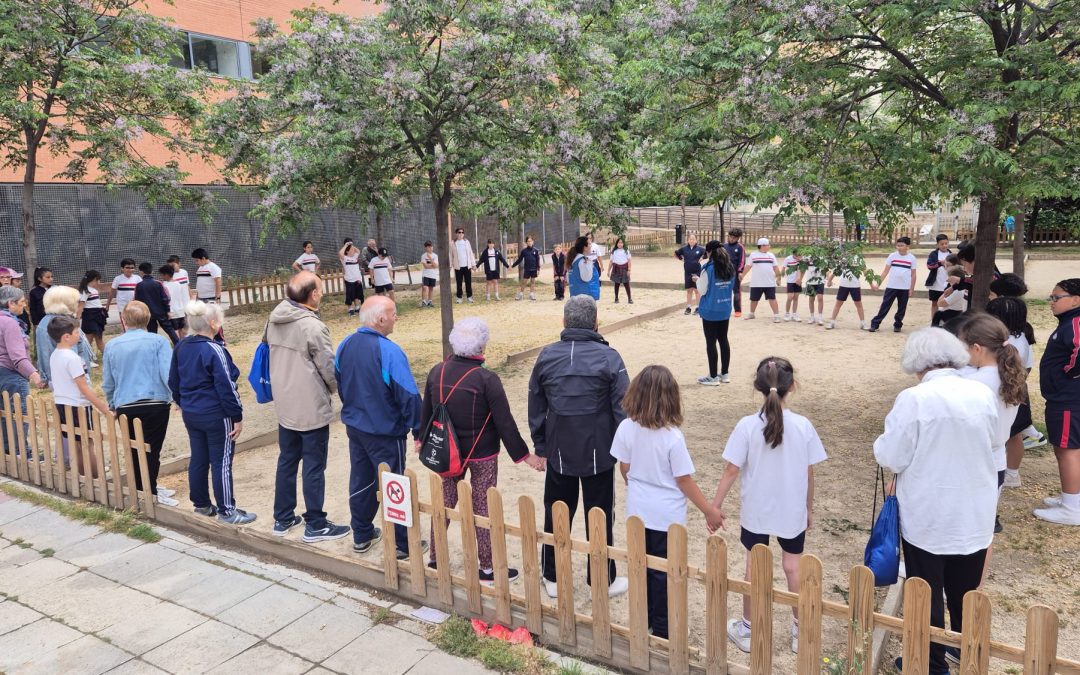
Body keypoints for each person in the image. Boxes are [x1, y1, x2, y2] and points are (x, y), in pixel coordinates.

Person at [873, 328, 997, 674]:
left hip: (929, 511)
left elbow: (892, 456)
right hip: (974, 507)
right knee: (966, 587)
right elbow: (994, 441)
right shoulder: (981, 393)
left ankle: (931, 661)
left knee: (925, 588)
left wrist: (879, 445)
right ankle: (967, 650)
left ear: (917, 363)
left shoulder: (914, 399)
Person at [712, 357, 827, 655]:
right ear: (793, 386)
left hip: (757, 510)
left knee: (755, 564)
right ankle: (800, 632)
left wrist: (715, 506)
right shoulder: (803, 426)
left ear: (757, 387)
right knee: (793, 566)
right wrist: (808, 507)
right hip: (792, 509)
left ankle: (749, 628)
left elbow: (731, 470)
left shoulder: (747, 426)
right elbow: (809, 471)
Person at [421, 318, 545, 583]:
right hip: (482, 452)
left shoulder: (436, 372)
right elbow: (505, 423)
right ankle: (487, 568)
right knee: (483, 507)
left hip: (447, 450)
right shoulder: (487, 379)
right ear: (482, 344)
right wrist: (525, 456)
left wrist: (421, 438)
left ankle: (435, 558)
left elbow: (428, 411)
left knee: (443, 503)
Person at [610, 365, 723, 639]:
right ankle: (662, 629)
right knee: (664, 572)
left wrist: (636, 482)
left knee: (641, 566)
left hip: (637, 510)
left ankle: (644, 619)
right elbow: (683, 480)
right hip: (666, 516)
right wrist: (710, 511)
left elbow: (624, 467)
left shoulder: (626, 427)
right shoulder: (673, 437)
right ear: (671, 398)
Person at [528, 295, 630, 598]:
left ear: (564, 322)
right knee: (599, 513)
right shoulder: (610, 358)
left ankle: (553, 576)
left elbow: (536, 402)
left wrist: (541, 445)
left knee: (557, 510)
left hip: (560, 448)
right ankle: (602, 578)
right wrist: (625, 452)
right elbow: (623, 410)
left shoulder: (547, 356)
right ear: (596, 322)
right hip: (599, 451)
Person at [335, 296, 426, 558]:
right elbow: (408, 394)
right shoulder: (389, 350)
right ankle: (402, 543)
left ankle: (362, 533)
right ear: (380, 318)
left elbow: (340, 382)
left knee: (361, 478)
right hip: (385, 431)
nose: (396, 317)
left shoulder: (345, 344)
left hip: (357, 425)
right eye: (393, 313)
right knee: (393, 483)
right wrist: (419, 429)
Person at [267, 272, 350, 543]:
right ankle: (316, 523)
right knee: (314, 465)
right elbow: (328, 367)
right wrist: (341, 391)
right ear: (313, 294)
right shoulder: (312, 327)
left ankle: (283, 516)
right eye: (321, 289)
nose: (323, 293)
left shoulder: (274, 318)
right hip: (310, 405)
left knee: (287, 460)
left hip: (285, 402)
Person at [169, 301, 254, 525]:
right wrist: (237, 416)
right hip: (216, 414)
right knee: (222, 461)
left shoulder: (181, 346)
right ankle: (227, 510)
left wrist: (180, 400)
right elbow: (226, 385)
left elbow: (173, 380)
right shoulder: (215, 350)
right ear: (214, 324)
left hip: (192, 412)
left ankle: (202, 505)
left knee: (199, 457)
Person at [954, 313, 1025, 543]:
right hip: (996, 460)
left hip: (970, 463)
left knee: (961, 530)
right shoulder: (1009, 375)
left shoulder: (974, 384)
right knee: (982, 533)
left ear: (976, 348)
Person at [101, 301, 176, 506]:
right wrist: (176, 396)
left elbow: (108, 380)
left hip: (126, 403)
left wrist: (112, 402)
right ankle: (148, 491)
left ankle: (145, 486)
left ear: (124, 320)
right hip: (155, 402)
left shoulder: (112, 345)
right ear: (148, 318)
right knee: (152, 448)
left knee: (134, 448)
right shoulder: (158, 342)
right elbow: (167, 373)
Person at [1033, 279, 1080, 526]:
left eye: (1056, 297)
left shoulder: (1075, 322)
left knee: (1067, 449)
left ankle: (1072, 508)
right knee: (1067, 448)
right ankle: (1072, 498)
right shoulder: (1067, 322)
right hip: (1064, 396)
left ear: (1075, 299)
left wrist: (1067, 375)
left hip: (1068, 398)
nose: (1051, 302)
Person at [49, 315, 111, 478]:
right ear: (66, 336)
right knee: (87, 443)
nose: (80, 335)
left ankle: (84, 475)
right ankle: (96, 477)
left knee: (76, 443)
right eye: (77, 332)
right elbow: (83, 387)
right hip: (78, 406)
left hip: (62, 403)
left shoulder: (55, 355)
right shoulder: (73, 358)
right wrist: (103, 407)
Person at [987, 297, 1036, 488]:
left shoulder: (1011, 341)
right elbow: (1029, 367)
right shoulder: (1020, 336)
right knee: (1012, 432)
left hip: (1008, 391)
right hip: (1015, 389)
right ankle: (1011, 472)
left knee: (1013, 433)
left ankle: (1012, 473)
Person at [0, 286, 44, 456]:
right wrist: (34, 374)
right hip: (12, 375)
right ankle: (20, 450)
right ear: (10, 303)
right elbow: (17, 357)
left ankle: (8, 448)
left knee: (5, 414)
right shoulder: (10, 323)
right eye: (21, 302)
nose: (24, 305)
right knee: (18, 413)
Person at [35, 286, 95, 387]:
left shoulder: (44, 321)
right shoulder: (64, 324)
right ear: (66, 303)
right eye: (76, 302)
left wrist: (45, 377)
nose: (78, 304)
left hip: (57, 378)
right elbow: (72, 356)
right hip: (73, 379)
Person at [695, 241, 735, 385]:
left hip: (711, 310)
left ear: (710, 252)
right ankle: (725, 374)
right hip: (724, 308)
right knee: (723, 339)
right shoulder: (730, 268)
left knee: (711, 342)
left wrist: (697, 280)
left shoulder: (708, 269)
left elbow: (702, 290)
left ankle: (713, 377)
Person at [869, 236, 917, 333]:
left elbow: (913, 274)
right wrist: (878, 284)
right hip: (891, 286)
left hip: (904, 288)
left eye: (902, 245)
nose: (899, 247)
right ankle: (875, 324)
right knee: (885, 305)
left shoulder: (912, 258)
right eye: (898, 245)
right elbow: (885, 272)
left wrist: (911, 288)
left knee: (902, 308)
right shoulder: (892, 256)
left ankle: (898, 324)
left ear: (908, 246)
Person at [134, 262, 179, 344]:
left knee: (152, 333)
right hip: (161, 312)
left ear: (141, 272)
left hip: (148, 313)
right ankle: (179, 346)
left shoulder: (139, 285)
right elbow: (165, 298)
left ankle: (154, 348)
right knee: (170, 330)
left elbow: (137, 301)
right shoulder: (158, 283)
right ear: (152, 272)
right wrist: (168, 311)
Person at [741, 237, 782, 322]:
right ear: (762, 246)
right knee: (754, 299)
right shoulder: (753, 255)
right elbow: (748, 267)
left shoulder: (771, 255)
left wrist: (779, 278)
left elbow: (776, 267)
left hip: (769, 282)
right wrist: (742, 276)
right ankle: (751, 314)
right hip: (756, 283)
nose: (769, 246)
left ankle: (776, 315)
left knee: (772, 298)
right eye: (768, 245)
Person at [675, 233, 706, 315]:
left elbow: (708, 252)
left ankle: (698, 307)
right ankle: (688, 307)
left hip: (697, 272)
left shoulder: (700, 249)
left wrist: (703, 258)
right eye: (690, 239)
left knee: (697, 290)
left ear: (696, 240)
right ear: (687, 240)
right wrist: (681, 259)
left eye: (693, 239)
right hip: (688, 272)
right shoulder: (684, 249)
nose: (692, 240)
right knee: (689, 290)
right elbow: (676, 253)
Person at [77, 270, 107, 353]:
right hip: (90, 317)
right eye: (98, 280)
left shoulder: (94, 290)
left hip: (98, 316)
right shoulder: (85, 291)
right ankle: (87, 358)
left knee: (99, 338)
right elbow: (81, 306)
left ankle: (106, 356)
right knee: (88, 339)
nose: (99, 282)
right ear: (94, 279)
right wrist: (77, 319)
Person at [925, 235, 952, 320]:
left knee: (948, 303)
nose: (944, 245)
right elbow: (929, 266)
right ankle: (934, 321)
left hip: (948, 283)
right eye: (942, 244)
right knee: (935, 303)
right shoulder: (934, 254)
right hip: (935, 283)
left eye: (946, 243)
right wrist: (940, 263)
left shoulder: (951, 254)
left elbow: (956, 267)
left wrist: (949, 266)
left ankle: (946, 321)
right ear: (937, 245)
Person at [158, 266, 188, 340]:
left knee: (175, 331)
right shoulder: (178, 283)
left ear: (166, 275)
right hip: (181, 311)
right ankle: (183, 345)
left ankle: (177, 346)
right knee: (182, 330)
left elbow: (166, 299)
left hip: (172, 312)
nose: (161, 277)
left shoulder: (164, 285)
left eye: (162, 275)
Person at [339, 238, 366, 315]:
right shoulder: (345, 258)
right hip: (349, 279)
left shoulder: (355, 257)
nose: (353, 251)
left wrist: (352, 245)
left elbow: (358, 251)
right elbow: (340, 253)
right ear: (347, 251)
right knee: (350, 294)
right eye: (351, 250)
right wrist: (346, 245)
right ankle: (350, 308)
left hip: (357, 279)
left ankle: (357, 307)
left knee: (357, 294)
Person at [109, 259, 139, 330]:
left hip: (135, 306)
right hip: (122, 307)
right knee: (126, 326)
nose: (130, 270)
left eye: (132, 268)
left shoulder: (137, 278)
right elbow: (112, 292)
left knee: (136, 325)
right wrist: (107, 306)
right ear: (122, 268)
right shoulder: (118, 279)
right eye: (127, 267)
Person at [723, 229, 747, 317]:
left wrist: (740, 271)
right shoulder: (724, 246)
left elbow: (742, 260)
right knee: (724, 291)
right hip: (724, 272)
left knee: (736, 292)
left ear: (738, 238)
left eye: (734, 238)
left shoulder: (740, 247)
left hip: (735, 273)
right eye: (731, 237)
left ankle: (738, 310)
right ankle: (725, 309)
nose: (732, 239)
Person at [450, 228, 477, 304]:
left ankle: (469, 297)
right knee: (459, 283)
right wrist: (450, 265)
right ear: (456, 233)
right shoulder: (452, 243)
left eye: (462, 232)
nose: (461, 234)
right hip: (458, 267)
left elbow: (470, 253)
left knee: (468, 282)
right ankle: (459, 298)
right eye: (459, 232)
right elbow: (450, 255)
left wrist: (473, 264)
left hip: (467, 266)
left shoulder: (466, 242)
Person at [166, 255, 190, 337]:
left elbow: (188, 286)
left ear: (179, 263)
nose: (171, 268)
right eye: (170, 266)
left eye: (173, 265)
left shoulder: (184, 272)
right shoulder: (170, 276)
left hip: (187, 303)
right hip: (177, 307)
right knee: (179, 327)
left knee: (187, 326)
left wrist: (191, 299)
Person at [512, 235, 542, 301]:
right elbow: (519, 260)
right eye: (528, 241)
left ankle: (531, 294)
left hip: (534, 269)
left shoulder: (536, 250)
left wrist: (538, 269)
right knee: (524, 282)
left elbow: (538, 260)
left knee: (533, 282)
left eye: (530, 241)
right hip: (527, 269)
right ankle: (521, 294)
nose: (529, 242)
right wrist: (513, 265)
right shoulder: (524, 251)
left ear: (533, 242)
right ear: (526, 242)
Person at [608, 237, 632, 304]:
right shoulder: (614, 251)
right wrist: (608, 271)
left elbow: (629, 261)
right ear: (617, 243)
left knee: (626, 284)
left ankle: (629, 298)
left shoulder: (626, 251)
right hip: (616, 269)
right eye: (619, 242)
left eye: (621, 242)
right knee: (616, 284)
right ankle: (616, 298)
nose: (620, 244)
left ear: (624, 243)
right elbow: (611, 262)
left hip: (624, 269)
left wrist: (629, 270)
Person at [802, 258, 826, 326]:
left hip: (820, 281)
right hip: (810, 281)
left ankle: (820, 317)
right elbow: (802, 267)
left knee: (820, 298)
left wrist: (828, 278)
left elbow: (826, 269)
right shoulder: (807, 256)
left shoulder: (822, 256)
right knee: (811, 299)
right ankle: (812, 317)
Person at [782, 248, 804, 322]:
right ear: (794, 254)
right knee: (790, 297)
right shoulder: (788, 259)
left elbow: (802, 270)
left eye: (800, 255)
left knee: (796, 298)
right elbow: (783, 268)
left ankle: (794, 314)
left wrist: (800, 279)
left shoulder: (801, 260)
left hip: (798, 282)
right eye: (798, 255)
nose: (799, 257)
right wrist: (779, 277)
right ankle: (787, 313)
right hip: (790, 281)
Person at [419, 241, 437, 308]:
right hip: (425, 274)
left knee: (431, 288)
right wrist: (432, 265)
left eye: (431, 246)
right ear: (426, 248)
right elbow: (425, 266)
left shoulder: (435, 256)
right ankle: (424, 301)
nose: (430, 248)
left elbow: (435, 266)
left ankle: (430, 301)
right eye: (428, 247)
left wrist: (430, 259)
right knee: (425, 287)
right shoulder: (423, 256)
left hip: (433, 274)